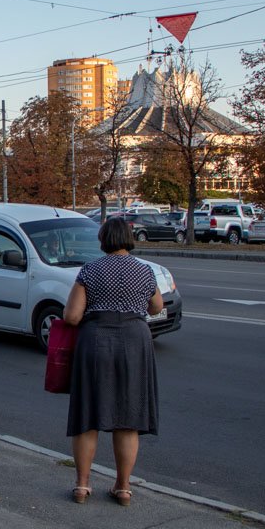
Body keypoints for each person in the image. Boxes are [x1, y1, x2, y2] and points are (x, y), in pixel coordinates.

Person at [61, 216, 162, 506]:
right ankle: (123, 488)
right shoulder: (145, 271)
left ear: (103, 240)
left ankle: (81, 485)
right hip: (135, 340)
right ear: (129, 239)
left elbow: (72, 316)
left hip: (95, 340)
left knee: (87, 416)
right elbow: (156, 306)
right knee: (128, 418)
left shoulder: (90, 271)